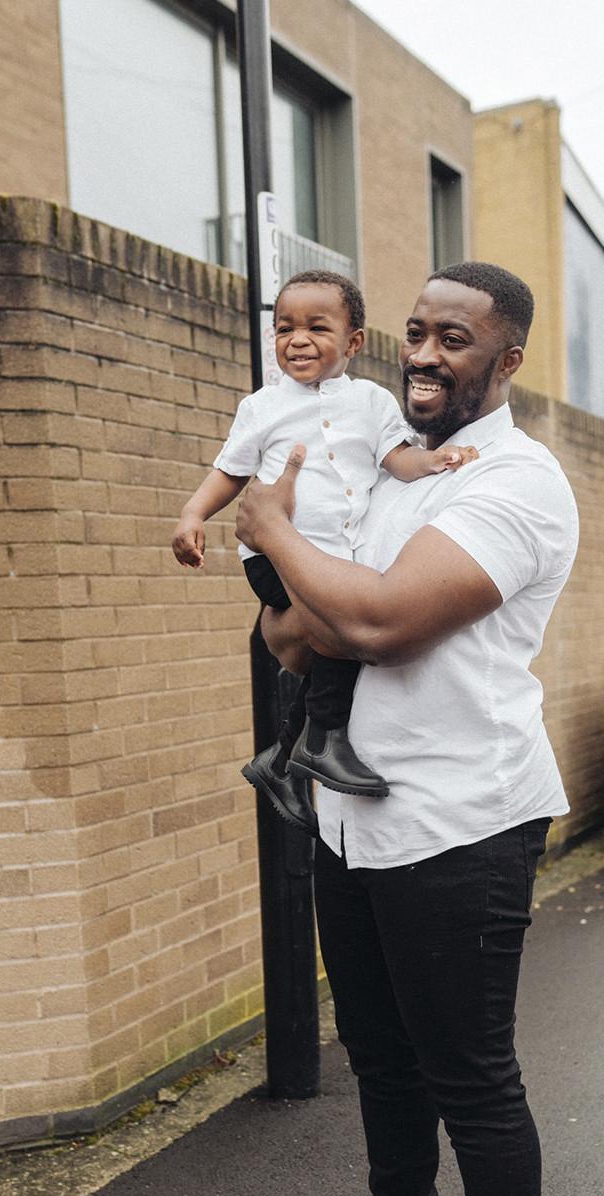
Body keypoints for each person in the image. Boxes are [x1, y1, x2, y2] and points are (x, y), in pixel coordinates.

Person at [235, 261, 579, 1196]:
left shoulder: (514, 484)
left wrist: (276, 533)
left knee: (472, 1080)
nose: (425, 358)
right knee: (378, 1056)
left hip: (463, 821)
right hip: (355, 811)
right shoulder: (389, 475)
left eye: (456, 340)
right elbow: (291, 629)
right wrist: (316, 589)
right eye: (417, 335)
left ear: (507, 359)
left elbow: (372, 621)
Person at [171, 269, 476, 831]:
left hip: (337, 557)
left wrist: (433, 461)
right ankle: (322, 742)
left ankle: (282, 757)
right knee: (341, 630)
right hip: (272, 558)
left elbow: (396, 459)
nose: (298, 339)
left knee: (337, 638)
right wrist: (193, 514)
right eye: (284, 328)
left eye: (317, 327)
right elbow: (229, 472)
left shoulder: (372, 402)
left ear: (354, 342)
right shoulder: (262, 407)